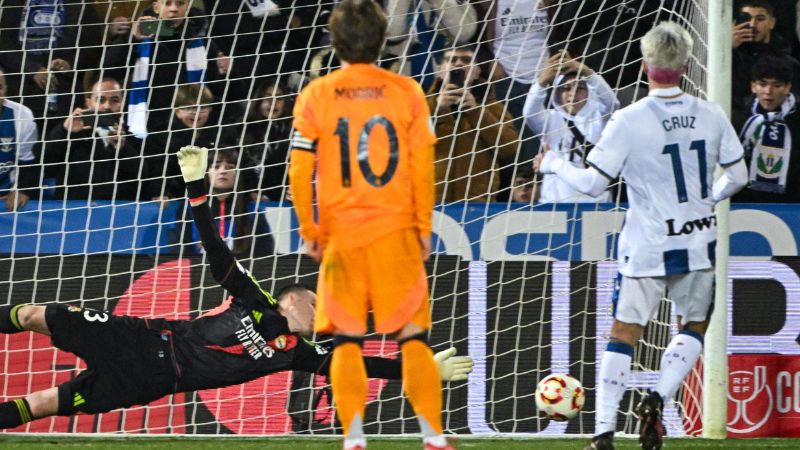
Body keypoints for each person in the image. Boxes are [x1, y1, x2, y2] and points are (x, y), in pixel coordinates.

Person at [0, 145, 473, 429]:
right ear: (292, 298)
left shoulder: (298, 352)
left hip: (154, 380)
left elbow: (358, 366)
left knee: (46, 404)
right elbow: (217, 253)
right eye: (317, 303)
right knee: (36, 314)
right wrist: (198, 193)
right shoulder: (254, 299)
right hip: (142, 338)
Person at [536, 22, 748, 450]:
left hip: (646, 243)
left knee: (624, 332)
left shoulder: (628, 120)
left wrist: (554, 165)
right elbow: (739, 176)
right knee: (694, 324)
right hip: (696, 239)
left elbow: (593, 186)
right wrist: (711, 198)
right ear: (687, 67)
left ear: (644, 65)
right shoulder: (711, 114)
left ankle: (603, 433)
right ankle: (657, 397)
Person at [288, 1, 449, 449]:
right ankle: (434, 438)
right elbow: (422, 166)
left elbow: (299, 170)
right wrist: (422, 229)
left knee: (346, 341)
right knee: (413, 338)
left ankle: (354, 438)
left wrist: (310, 230)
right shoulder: (407, 92)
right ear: (383, 39)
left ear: (333, 39)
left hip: (343, 236)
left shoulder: (316, 94)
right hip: (396, 232)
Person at [427, 45, 519, 203]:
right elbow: (404, 142)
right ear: (440, 70)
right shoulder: (421, 106)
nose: (458, 64)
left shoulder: (494, 108)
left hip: (477, 206)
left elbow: (510, 148)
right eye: (451, 60)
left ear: (477, 71)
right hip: (430, 203)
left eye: (466, 60)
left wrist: (476, 111)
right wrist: (436, 108)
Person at [525, 50, 619, 203]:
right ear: (556, 93)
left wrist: (587, 72)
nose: (573, 93)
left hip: (595, 207)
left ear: (589, 93)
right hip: (554, 204)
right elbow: (529, 113)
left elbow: (612, 103)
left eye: (580, 88)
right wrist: (541, 83)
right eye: (566, 88)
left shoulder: (599, 119)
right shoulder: (550, 120)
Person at [41, 77, 146, 201]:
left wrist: (124, 149)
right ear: (88, 103)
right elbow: (43, 164)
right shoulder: (68, 132)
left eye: (114, 100)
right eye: (101, 100)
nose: (107, 106)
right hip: (74, 211)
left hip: (119, 212)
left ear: (122, 104)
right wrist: (64, 131)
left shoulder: (134, 135)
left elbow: (144, 177)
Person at [172, 147, 274, 257]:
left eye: (230, 167)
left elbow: (265, 251)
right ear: (206, 173)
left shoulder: (251, 211)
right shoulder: (188, 209)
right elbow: (178, 249)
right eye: (216, 167)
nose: (223, 171)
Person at [735, 55, 800, 202]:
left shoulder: (796, 122)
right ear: (753, 86)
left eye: (776, 85)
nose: (768, 92)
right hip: (745, 204)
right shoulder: (741, 121)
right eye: (762, 84)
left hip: (792, 205)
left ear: (787, 87)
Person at [731, 0, 800, 130]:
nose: (752, 25)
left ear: (772, 23)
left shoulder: (789, 63)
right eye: (746, 18)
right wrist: (727, 49)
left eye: (760, 19)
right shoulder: (724, 59)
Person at [242, 78, 294, 202]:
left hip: (285, 198)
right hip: (252, 200)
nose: (273, 102)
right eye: (267, 97)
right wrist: (250, 193)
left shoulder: (294, 131)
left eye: (279, 98)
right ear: (259, 100)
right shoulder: (243, 129)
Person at [0, 67, 40, 211]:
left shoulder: (22, 116)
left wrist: (22, 190)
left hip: (5, 197)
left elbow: (28, 161)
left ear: (6, 89)